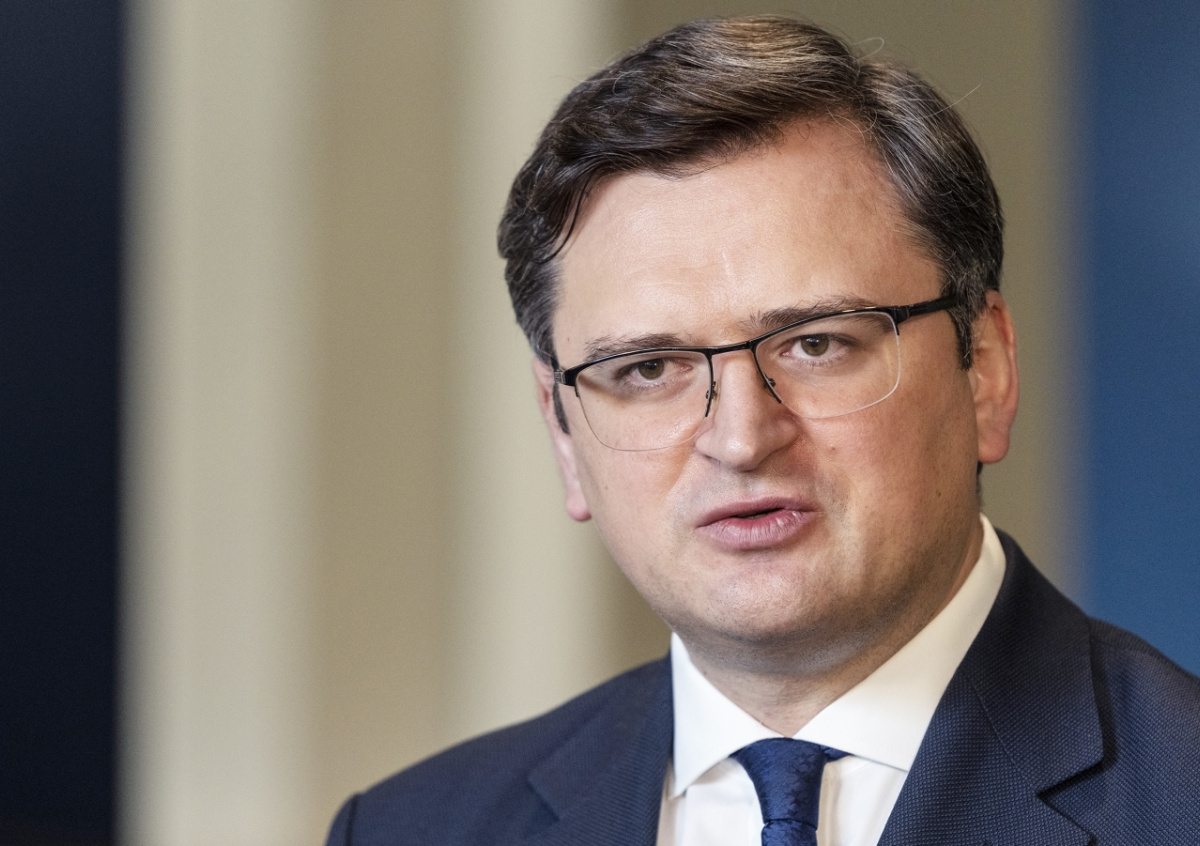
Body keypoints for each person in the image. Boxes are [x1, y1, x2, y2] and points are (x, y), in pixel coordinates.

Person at [325, 16, 1200, 846]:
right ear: (562, 431)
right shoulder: (411, 829)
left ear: (987, 371)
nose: (741, 440)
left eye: (817, 344)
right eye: (648, 369)